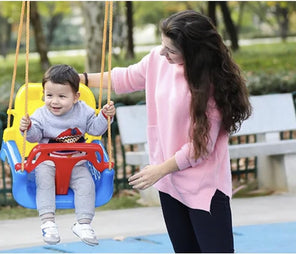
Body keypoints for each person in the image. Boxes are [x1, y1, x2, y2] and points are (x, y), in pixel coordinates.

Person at [79, 10, 251, 253]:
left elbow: (200, 148)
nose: (162, 53)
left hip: (205, 187)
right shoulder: (158, 61)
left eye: (171, 50)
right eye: (163, 45)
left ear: (193, 53)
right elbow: (125, 78)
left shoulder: (213, 85)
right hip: (169, 182)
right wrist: (81, 79)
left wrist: (158, 170)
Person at [19, 64, 115, 246]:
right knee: (44, 184)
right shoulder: (40, 114)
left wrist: (104, 116)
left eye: (62, 96)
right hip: (47, 163)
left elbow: (95, 129)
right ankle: (48, 222)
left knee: (86, 185)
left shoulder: (84, 110)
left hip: (77, 162)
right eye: (49, 95)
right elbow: (34, 138)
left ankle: (83, 224)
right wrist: (28, 128)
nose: (54, 101)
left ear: (76, 97)